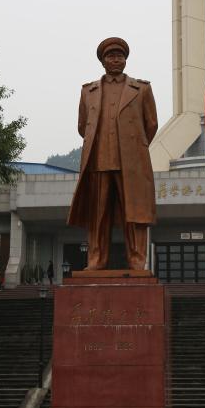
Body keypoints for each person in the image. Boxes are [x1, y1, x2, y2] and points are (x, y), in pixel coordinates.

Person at [68, 37, 158, 270]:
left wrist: (134, 147)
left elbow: (151, 125)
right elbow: (83, 127)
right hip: (99, 162)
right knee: (98, 215)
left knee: (135, 213)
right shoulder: (88, 91)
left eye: (120, 56)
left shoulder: (142, 89)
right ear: (103, 61)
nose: (116, 60)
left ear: (126, 60)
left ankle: (137, 259)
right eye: (111, 56)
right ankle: (96, 259)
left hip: (131, 163)